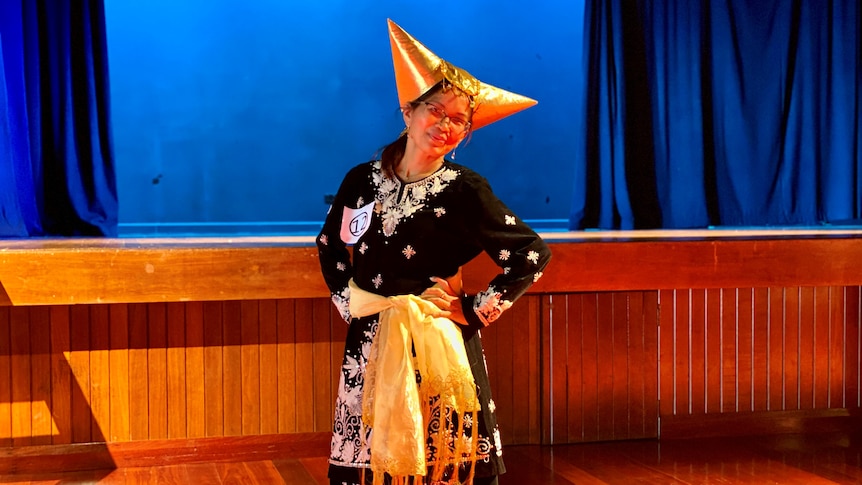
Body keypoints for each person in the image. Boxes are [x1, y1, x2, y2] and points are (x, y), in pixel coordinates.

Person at [317, 19, 551, 485]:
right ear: (408, 112)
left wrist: (473, 309)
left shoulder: (465, 190)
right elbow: (329, 247)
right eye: (435, 111)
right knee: (367, 466)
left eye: (459, 121)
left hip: (436, 342)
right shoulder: (361, 181)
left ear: (466, 134)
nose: (445, 126)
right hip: (372, 342)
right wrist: (351, 302)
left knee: (447, 466)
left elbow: (531, 254)